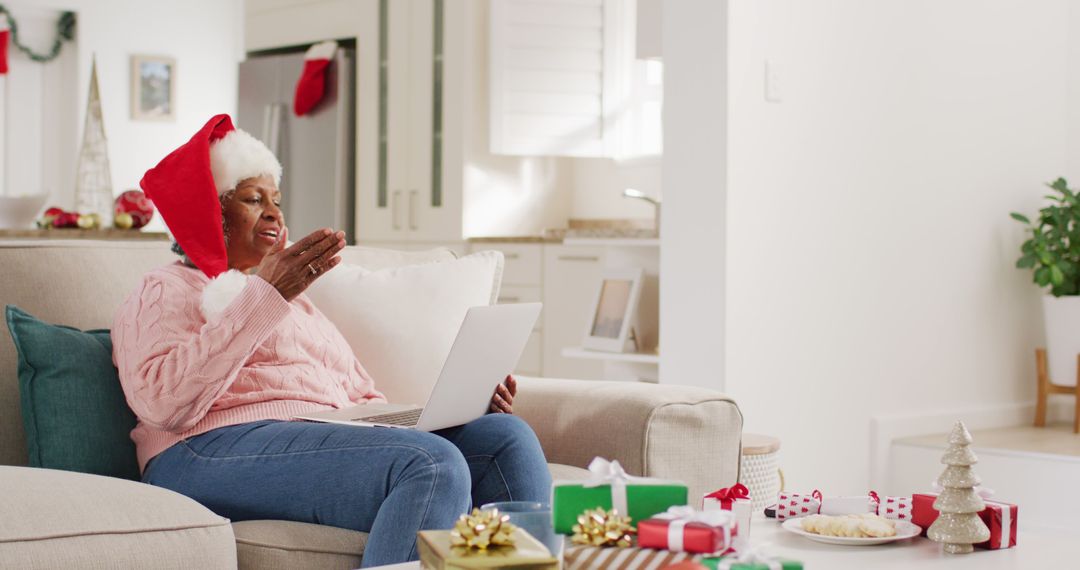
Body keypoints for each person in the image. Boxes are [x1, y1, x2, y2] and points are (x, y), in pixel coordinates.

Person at [111, 115, 550, 567]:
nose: (274, 213)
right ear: (209, 210)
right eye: (252, 199)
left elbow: (360, 398)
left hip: (317, 437)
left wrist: (461, 407)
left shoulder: (299, 305)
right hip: (202, 450)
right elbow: (161, 401)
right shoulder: (166, 288)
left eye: (276, 200)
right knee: (431, 464)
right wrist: (267, 294)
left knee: (505, 438)